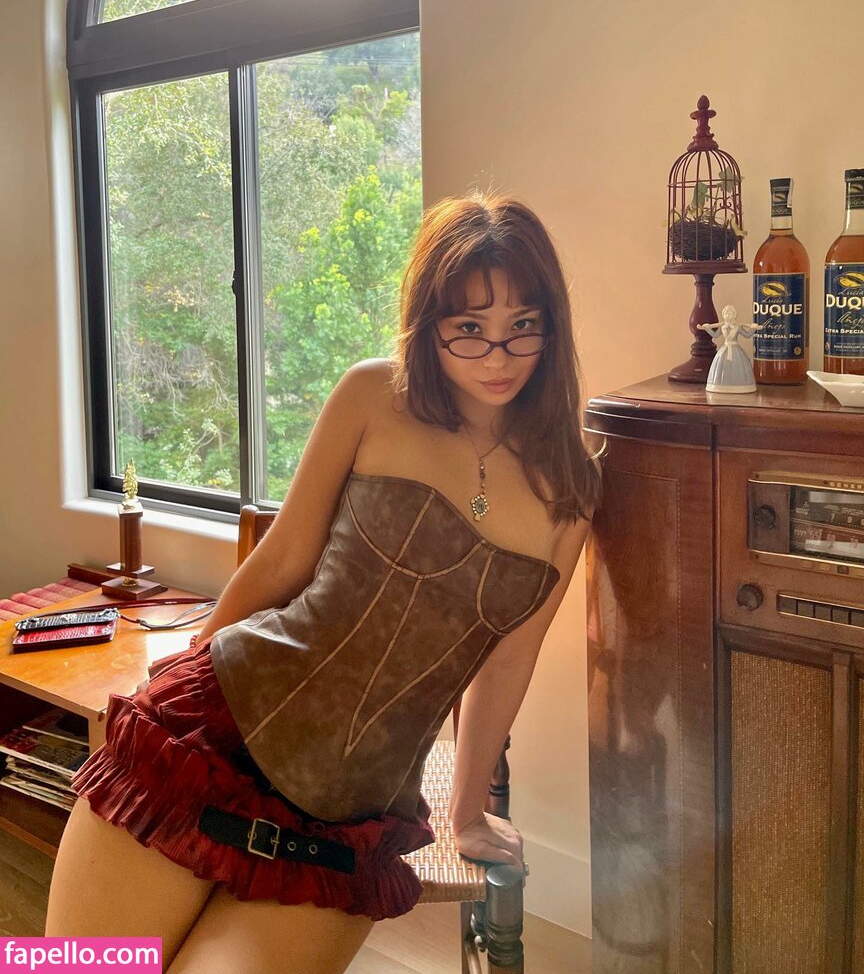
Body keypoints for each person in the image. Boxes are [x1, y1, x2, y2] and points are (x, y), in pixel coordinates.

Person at [46, 192, 601, 973]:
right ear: (430, 323)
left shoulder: (570, 488)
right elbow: (282, 562)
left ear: (553, 325)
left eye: (523, 325)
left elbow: (508, 661)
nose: (498, 356)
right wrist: (183, 673)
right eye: (469, 328)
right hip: (210, 734)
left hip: (344, 826)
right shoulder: (373, 397)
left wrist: (468, 812)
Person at [698, 304, 763, 394]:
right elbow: (715, 335)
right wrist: (708, 329)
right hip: (724, 350)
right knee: (721, 366)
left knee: (738, 366)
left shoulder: (738, 327)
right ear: (723, 315)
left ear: (734, 315)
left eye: (731, 313)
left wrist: (753, 329)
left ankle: (741, 385)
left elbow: (747, 335)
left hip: (735, 349)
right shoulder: (722, 327)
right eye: (726, 314)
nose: (728, 315)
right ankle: (719, 385)